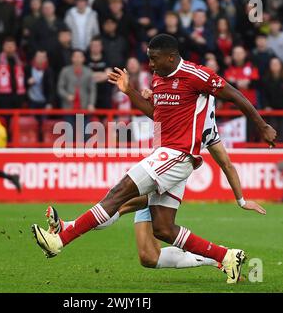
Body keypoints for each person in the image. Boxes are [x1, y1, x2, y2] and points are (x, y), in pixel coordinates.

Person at [31, 34, 276, 284]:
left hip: (177, 155)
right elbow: (157, 116)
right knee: (163, 229)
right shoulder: (158, 80)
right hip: (167, 158)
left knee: (118, 194)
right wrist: (130, 91)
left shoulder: (197, 76)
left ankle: (60, 239)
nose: (150, 64)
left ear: (171, 57)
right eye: (149, 58)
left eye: (154, 58)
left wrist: (262, 126)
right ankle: (226, 257)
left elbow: (234, 95)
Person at [45, 92, 267, 272]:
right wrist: (153, 96)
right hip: (159, 168)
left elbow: (226, 163)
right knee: (149, 256)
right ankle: (220, 257)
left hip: (165, 171)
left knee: (119, 202)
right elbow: (160, 109)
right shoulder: (184, 106)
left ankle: (66, 230)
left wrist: (241, 200)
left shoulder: (200, 123)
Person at [261, 57, 283, 143]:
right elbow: (264, 96)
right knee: (273, 131)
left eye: (276, 64)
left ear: (281, 66)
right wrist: (266, 106)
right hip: (272, 110)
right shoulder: (266, 80)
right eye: (272, 64)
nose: (274, 66)